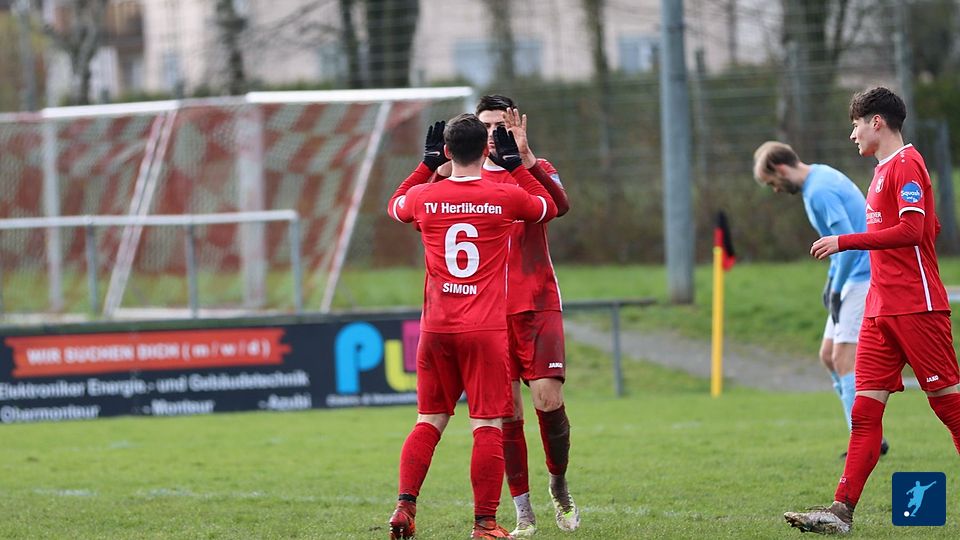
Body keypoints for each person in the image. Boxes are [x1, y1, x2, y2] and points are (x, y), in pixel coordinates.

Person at [784, 87, 960, 535]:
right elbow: (929, 226)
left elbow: (913, 230)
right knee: (864, 413)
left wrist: (845, 241)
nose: (853, 134)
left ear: (876, 122)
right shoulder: (883, 170)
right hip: (880, 311)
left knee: (950, 408)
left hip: (916, 307)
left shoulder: (907, 164)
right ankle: (840, 511)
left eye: (856, 124)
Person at [385, 113, 558, 539]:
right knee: (487, 425)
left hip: (436, 330)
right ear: (485, 149)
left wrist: (426, 166)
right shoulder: (504, 195)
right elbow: (547, 206)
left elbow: (395, 205)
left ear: (446, 151)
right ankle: (484, 524)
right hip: (484, 330)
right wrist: (516, 165)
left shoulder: (425, 196)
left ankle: (405, 506)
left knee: (429, 419)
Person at [439, 95, 575, 537]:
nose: (494, 134)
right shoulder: (461, 179)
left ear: (516, 127)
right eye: (487, 127)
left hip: (537, 302)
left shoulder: (537, 169)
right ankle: (523, 511)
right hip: (489, 312)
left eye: (502, 126)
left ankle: (558, 482)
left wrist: (526, 160)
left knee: (548, 401)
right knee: (508, 414)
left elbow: (560, 205)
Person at [752, 141, 889, 458]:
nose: (775, 190)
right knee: (828, 356)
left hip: (862, 276)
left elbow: (846, 245)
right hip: (850, 275)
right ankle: (868, 437)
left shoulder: (819, 191)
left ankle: (865, 441)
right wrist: (831, 283)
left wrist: (836, 288)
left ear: (781, 169)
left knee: (843, 359)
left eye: (772, 183)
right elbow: (838, 246)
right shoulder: (820, 177)